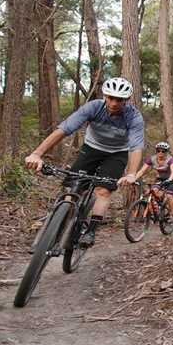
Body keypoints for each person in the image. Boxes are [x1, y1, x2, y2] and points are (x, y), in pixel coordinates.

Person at [24, 77, 144, 248]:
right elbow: (64, 129)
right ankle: (58, 225)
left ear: (127, 100)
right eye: (110, 97)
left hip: (116, 153)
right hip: (92, 148)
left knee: (103, 190)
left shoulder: (133, 117)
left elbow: (135, 147)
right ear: (105, 96)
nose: (114, 103)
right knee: (74, 187)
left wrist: (132, 173)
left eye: (119, 100)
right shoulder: (94, 107)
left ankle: (91, 231)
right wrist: (37, 154)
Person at [135, 141, 173, 216]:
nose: (160, 152)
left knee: (169, 195)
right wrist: (135, 178)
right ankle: (159, 207)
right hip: (161, 178)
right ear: (156, 151)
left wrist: (170, 179)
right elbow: (142, 170)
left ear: (167, 152)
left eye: (163, 151)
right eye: (158, 150)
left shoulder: (170, 160)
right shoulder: (152, 159)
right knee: (153, 191)